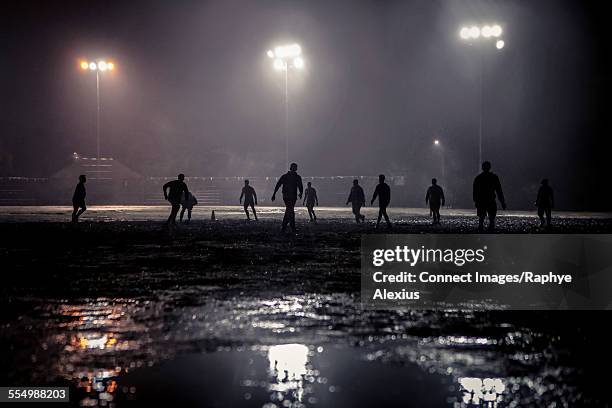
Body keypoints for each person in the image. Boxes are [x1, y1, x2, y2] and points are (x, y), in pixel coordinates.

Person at [473, 161, 506, 232]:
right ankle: (491, 232)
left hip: (481, 201)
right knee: (491, 220)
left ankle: (481, 233)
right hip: (491, 200)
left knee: (481, 220)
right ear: (490, 167)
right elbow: (499, 191)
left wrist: (476, 201)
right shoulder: (494, 177)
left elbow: (475, 192)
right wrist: (502, 202)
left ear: (482, 168)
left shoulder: (478, 178)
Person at [272, 163, 303, 232]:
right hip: (288, 196)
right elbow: (300, 186)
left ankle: (288, 227)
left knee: (290, 210)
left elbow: (278, 185)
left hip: (288, 196)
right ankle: (287, 227)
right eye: (295, 167)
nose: (295, 168)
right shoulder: (295, 177)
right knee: (290, 210)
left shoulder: (286, 176)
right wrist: (301, 193)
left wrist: (274, 193)